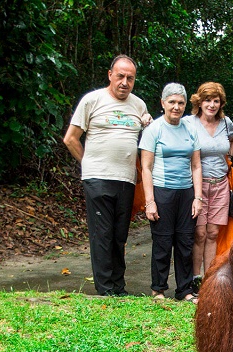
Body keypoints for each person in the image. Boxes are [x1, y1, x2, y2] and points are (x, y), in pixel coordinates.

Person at [63, 54, 152, 297]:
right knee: (102, 234)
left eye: (130, 78)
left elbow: (149, 142)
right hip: (97, 178)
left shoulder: (139, 105)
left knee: (119, 235)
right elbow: (70, 138)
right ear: (110, 75)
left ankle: (118, 287)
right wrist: (88, 163)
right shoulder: (92, 100)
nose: (124, 82)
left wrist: (148, 124)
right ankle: (105, 289)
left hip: (126, 179)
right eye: (120, 76)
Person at [139, 83, 203, 303]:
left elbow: (196, 166)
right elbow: (146, 167)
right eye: (172, 102)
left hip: (186, 193)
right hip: (162, 192)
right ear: (163, 103)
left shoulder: (190, 129)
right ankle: (158, 289)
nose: (176, 107)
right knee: (163, 243)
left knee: (185, 242)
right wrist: (150, 202)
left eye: (181, 103)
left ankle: (184, 290)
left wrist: (197, 197)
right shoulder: (153, 130)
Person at [183, 82, 233, 290]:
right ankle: (195, 278)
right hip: (197, 186)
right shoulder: (189, 123)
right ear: (199, 101)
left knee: (213, 233)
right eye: (207, 100)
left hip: (221, 184)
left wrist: (229, 157)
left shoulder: (226, 123)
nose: (212, 105)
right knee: (200, 233)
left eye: (216, 101)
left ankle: (209, 278)